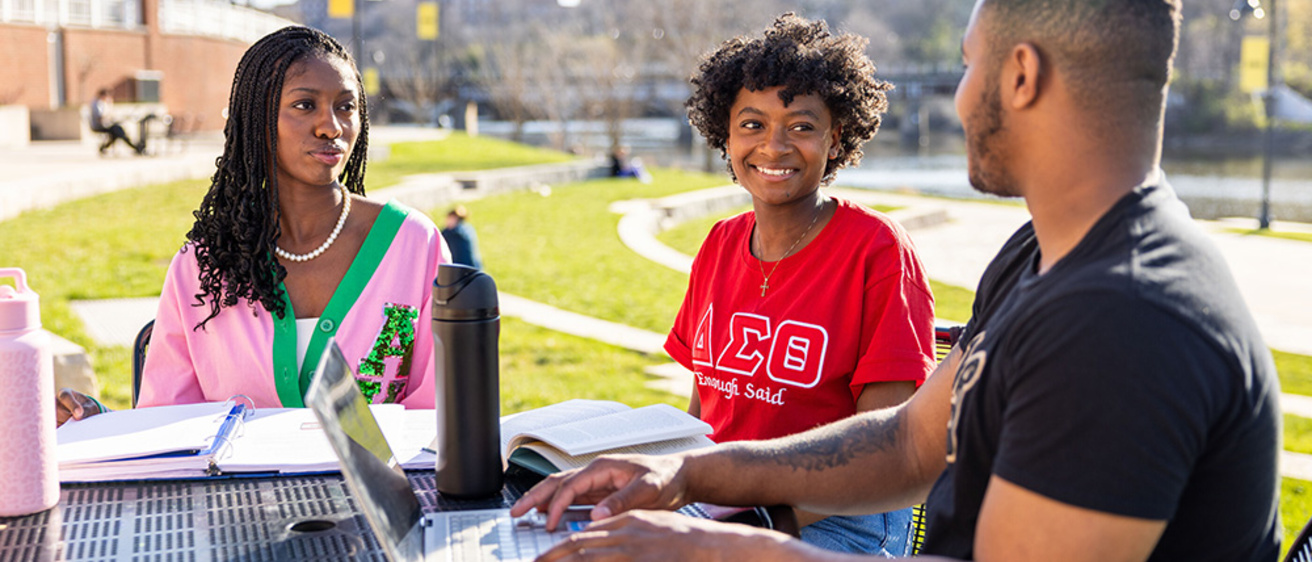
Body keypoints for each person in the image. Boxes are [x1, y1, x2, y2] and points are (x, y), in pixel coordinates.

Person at [512, 1, 1281, 560]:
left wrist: (712, 549)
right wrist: (684, 472)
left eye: (968, 61)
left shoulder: (1125, 320)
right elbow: (911, 442)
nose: (958, 92)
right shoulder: (1042, 255)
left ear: (1020, 75)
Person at [57, 26, 450, 425]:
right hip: (235, 490)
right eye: (304, 105)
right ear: (257, 120)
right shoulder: (202, 266)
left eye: (345, 106)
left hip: (388, 487)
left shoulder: (415, 245)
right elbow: (167, 426)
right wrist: (99, 422)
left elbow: (442, 421)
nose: (331, 126)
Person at [662, 14, 935, 556]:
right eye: (753, 124)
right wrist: (671, 484)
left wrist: (742, 525)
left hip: (836, 519)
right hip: (724, 503)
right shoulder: (720, 242)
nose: (774, 146)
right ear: (726, 134)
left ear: (835, 139)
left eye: (802, 126)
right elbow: (706, 404)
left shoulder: (877, 249)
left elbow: (886, 445)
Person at [89, 88, 144, 156]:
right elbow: (100, 117)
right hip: (100, 125)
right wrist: (109, 106)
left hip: (106, 124)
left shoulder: (101, 103)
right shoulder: (97, 104)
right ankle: (135, 147)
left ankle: (104, 147)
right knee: (118, 131)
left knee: (118, 132)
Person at [441, 205, 483, 269]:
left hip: (461, 269)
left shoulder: (453, 233)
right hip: (474, 266)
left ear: (454, 218)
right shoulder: (468, 228)